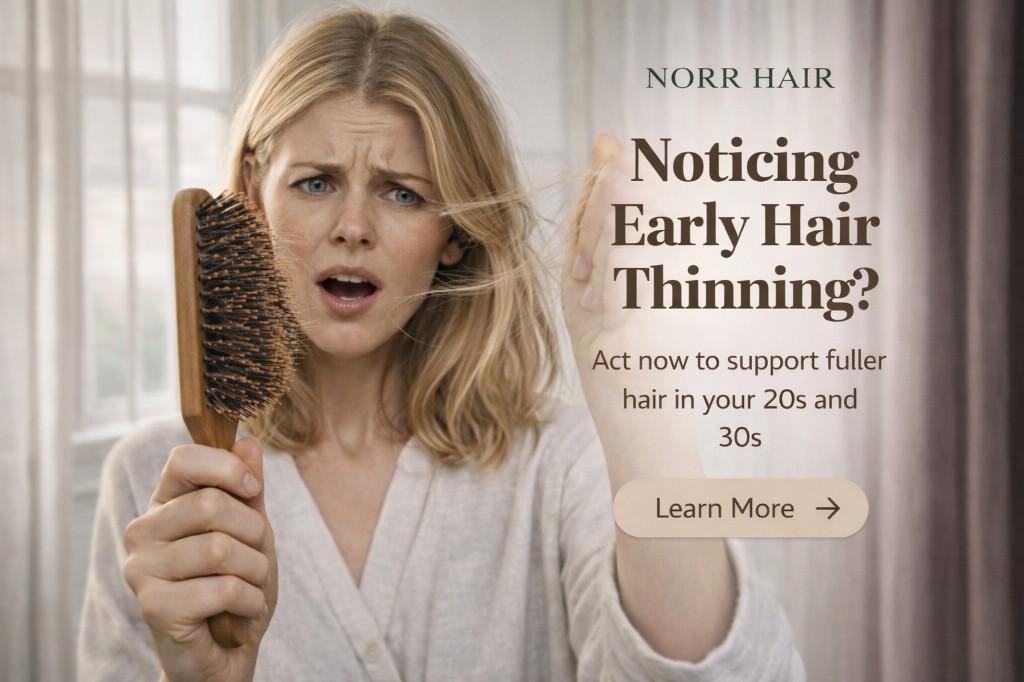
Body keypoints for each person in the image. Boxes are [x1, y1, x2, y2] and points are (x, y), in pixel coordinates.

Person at [77, 8, 802, 681]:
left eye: (402, 193)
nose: (352, 227)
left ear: (453, 232)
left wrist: (645, 395)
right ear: (252, 199)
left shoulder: (559, 465)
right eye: (316, 183)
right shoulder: (159, 479)